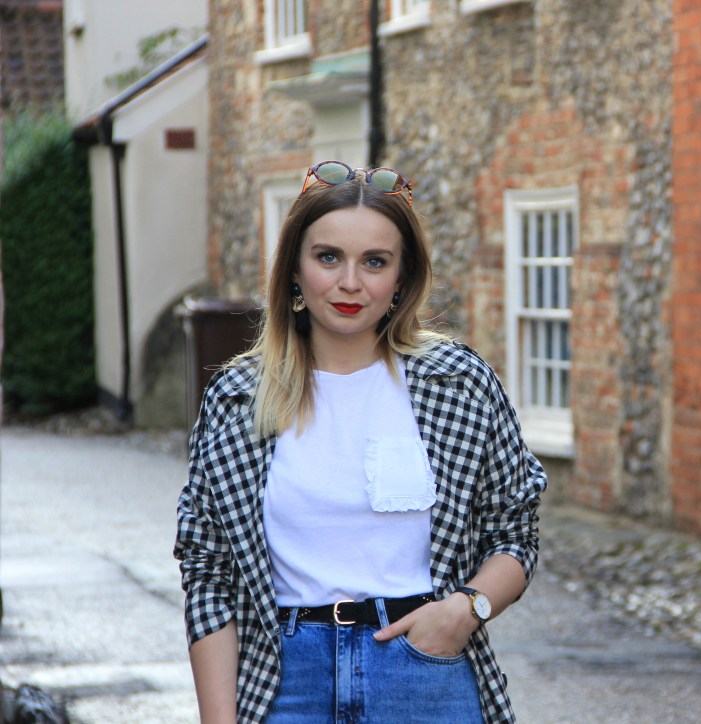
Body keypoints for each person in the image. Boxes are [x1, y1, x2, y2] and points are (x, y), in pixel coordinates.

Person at [175, 161, 546, 723]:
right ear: (294, 270)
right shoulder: (237, 399)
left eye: (375, 262)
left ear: (402, 277)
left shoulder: (459, 384)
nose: (351, 283)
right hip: (282, 680)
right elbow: (209, 574)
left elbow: (514, 532)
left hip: (424, 673)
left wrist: (465, 610)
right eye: (329, 258)